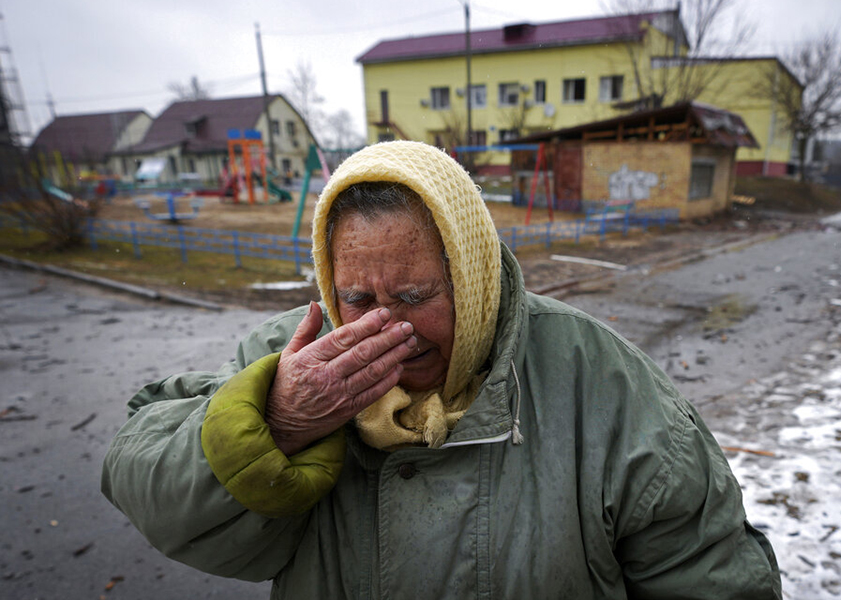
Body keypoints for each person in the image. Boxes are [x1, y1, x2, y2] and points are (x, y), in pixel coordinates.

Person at [102, 141, 781, 598]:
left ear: (476, 278)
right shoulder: (298, 359)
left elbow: (712, 574)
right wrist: (274, 422)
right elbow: (141, 473)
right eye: (358, 298)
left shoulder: (599, 380)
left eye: (416, 296)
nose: (387, 327)